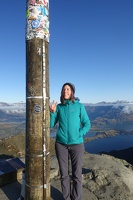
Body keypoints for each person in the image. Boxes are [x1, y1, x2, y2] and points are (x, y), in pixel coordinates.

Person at [50, 83, 91, 200]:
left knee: (77, 175)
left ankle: (76, 198)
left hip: (77, 145)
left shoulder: (79, 106)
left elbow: (87, 124)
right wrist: (52, 113)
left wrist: (79, 134)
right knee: (64, 175)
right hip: (61, 144)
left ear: (72, 91)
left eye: (68, 89)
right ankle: (66, 198)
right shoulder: (59, 107)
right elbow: (50, 124)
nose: (65, 91)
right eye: (64, 90)